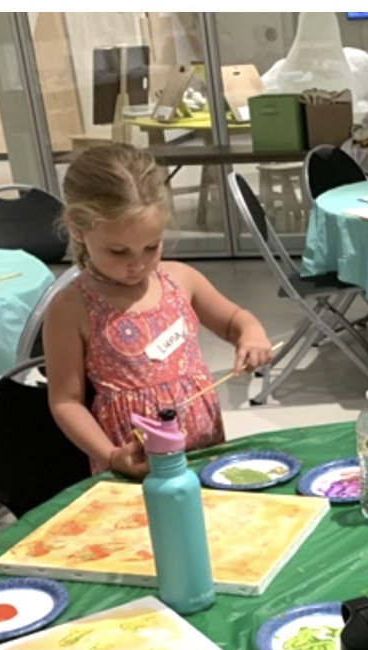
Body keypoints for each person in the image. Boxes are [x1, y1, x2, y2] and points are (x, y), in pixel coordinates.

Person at [43, 143, 274, 478]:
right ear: (78, 229)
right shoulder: (72, 307)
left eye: (151, 247)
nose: (137, 264)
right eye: (118, 251)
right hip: (133, 464)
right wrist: (110, 456)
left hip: (204, 450)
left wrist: (251, 334)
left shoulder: (180, 279)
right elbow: (65, 402)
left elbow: (235, 320)